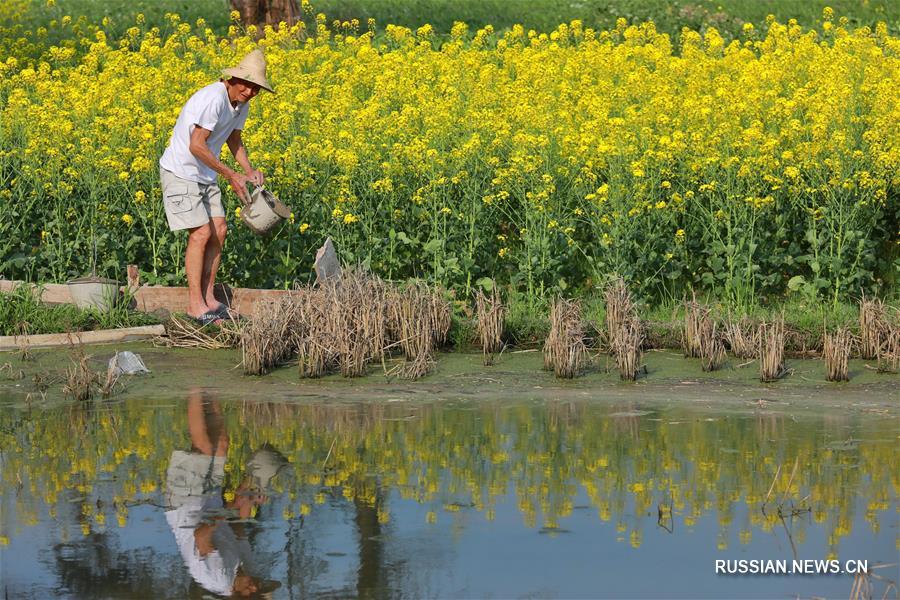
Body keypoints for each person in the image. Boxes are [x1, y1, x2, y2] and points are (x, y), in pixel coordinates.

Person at [159, 49, 274, 325]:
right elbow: (196, 145)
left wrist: (248, 172)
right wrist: (231, 175)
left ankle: (209, 299)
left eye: (255, 87)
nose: (249, 91)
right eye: (245, 84)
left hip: (206, 173)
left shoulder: (241, 104)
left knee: (219, 230)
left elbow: (234, 139)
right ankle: (194, 306)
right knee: (200, 233)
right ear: (232, 79)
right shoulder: (214, 99)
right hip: (182, 172)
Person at [165, 390, 285, 597]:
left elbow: (200, 535)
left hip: (184, 509)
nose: (255, 586)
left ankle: (194, 382)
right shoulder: (250, 573)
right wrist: (252, 491)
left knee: (202, 447)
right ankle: (212, 388)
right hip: (209, 505)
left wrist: (231, 507)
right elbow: (238, 530)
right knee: (221, 444)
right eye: (259, 588)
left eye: (251, 592)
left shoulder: (218, 577)